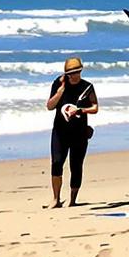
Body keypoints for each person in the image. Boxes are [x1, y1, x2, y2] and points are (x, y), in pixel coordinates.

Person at [47, 56, 98, 208]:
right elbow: (50, 106)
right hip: (60, 132)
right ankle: (56, 199)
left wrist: (80, 110)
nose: (73, 76)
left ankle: (72, 199)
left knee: (76, 166)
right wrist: (60, 91)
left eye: (76, 72)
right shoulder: (58, 84)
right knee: (56, 163)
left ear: (80, 71)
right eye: (70, 73)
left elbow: (95, 107)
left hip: (79, 133)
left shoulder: (87, 87)